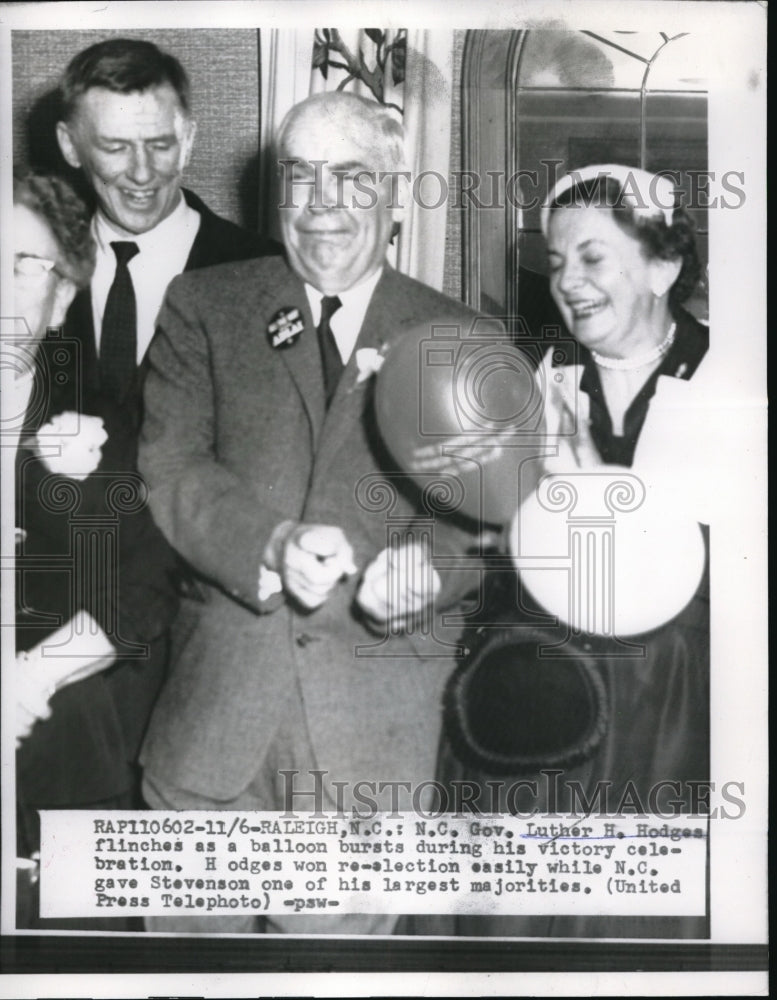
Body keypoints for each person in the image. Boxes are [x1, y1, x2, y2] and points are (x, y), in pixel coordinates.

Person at [137, 91, 498, 934]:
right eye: (301, 178)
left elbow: (482, 516)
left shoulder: (460, 337)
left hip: (371, 748)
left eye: (351, 179)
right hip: (213, 734)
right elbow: (171, 464)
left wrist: (433, 570)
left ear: (397, 192)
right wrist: (269, 541)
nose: (322, 206)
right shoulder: (205, 306)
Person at [433, 164, 710, 938]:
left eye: (592, 258)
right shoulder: (532, 381)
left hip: (672, 719)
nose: (567, 283)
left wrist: (584, 483)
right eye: (555, 264)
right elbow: (486, 556)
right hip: (542, 713)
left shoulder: (734, 383)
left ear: (662, 264)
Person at [18, 39, 274, 811]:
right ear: (69, 144)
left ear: (189, 136)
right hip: (53, 680)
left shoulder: (259, 278)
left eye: (161, 145)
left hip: (202, 670)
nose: (140, 172)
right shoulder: (29, 267)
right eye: (114, 147)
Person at [11, 171, 149, 929]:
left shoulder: (109, 422)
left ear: (63, 295)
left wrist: (26, 684)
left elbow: (141, 596)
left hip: (65, 772)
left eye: (22, 264)